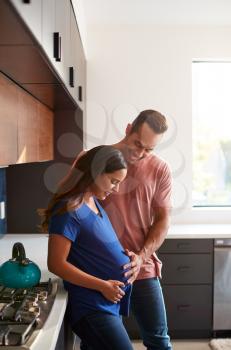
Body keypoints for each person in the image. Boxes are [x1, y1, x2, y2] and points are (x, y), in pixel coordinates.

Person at [39, 145, 134, 350]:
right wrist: (102, 285)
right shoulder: (69, 209)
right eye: (113, 181)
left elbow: (95, 244)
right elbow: (56, 263)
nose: (116, 189)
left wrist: (127, 256)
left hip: (107, 302)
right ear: (95, 172)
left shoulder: (92, 201)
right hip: (92, 306)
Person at [101, 109, 173, 350]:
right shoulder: (94, 159)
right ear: (128, 128)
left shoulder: (160, 169)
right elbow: (70, 206)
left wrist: (141, 257)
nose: (140, 154)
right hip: (98, 271)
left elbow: (163, 219)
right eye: (137, 144)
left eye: (149, 150)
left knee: (159, 343)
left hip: (141, 268)